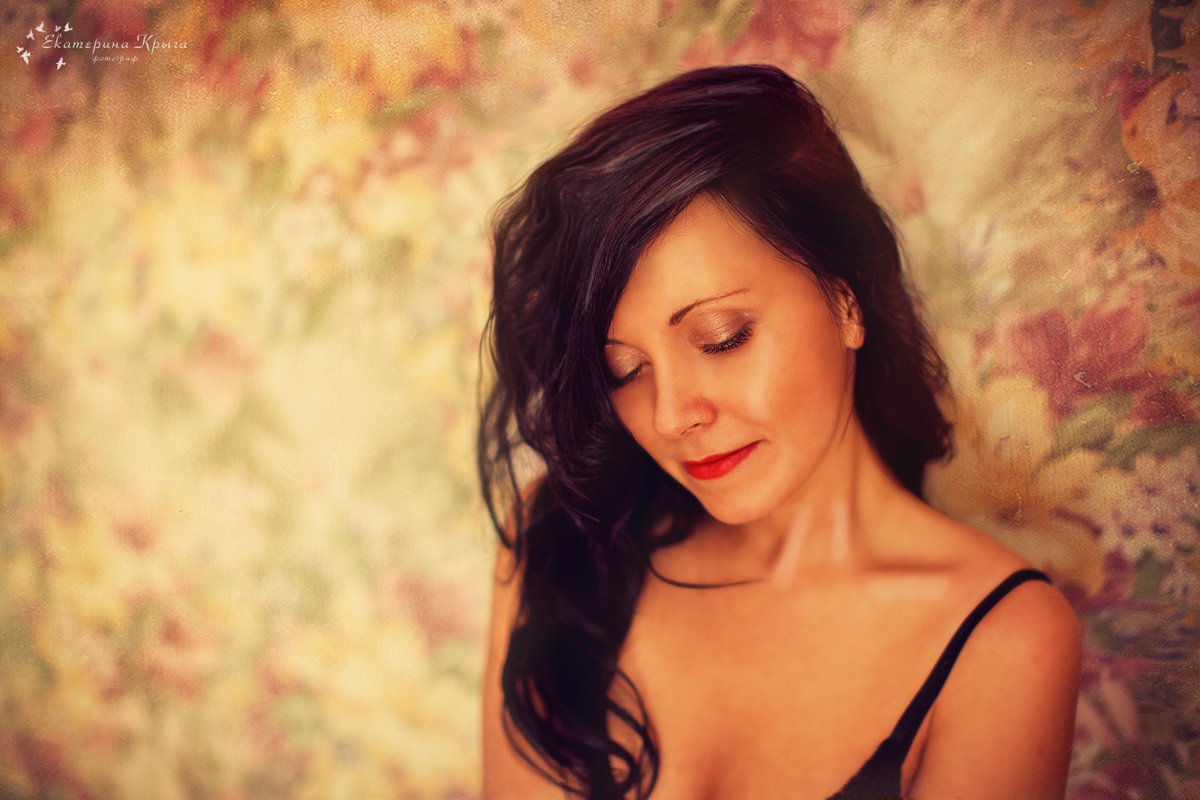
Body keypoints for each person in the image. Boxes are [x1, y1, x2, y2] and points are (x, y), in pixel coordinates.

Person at [477, 64, 1081, 800]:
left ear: (845, 301)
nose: (671, 416)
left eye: (721, 337)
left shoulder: (1005, 641)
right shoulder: (560, 544)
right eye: (625, 370)